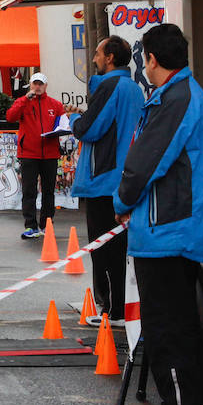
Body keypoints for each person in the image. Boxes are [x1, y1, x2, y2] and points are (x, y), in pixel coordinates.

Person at [113, 24, 203, 405]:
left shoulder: (176, 98)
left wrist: (122, 202)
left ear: (151, 59)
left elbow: (143, 165)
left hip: (168, 237)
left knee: (168, 336)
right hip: (174, 233)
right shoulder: (181, 93)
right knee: (177, 332)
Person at [65, 35, 143, 327]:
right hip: (126, 177)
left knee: (103, 247)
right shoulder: (134, 89)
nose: (94, 58)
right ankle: (122, 309)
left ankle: (112, 310)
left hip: (104, 180)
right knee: (121, 248)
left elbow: (90, 128)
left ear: (110, 58)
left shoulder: (110, 85)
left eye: (97, 53)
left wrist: (72, 121)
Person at [6, 72, 65, 239]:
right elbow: (10, 117)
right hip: (29, 153)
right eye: (35, 84)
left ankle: (47, 224)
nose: (37, 87)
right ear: (30, 85)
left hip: (50, 153)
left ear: (45, 86)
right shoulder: (22, 102)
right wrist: (25, 99)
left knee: (48, 191)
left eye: (41, 84)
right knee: (29, 190)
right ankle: (30, 225)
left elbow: (63, 124)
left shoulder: (55, 104)